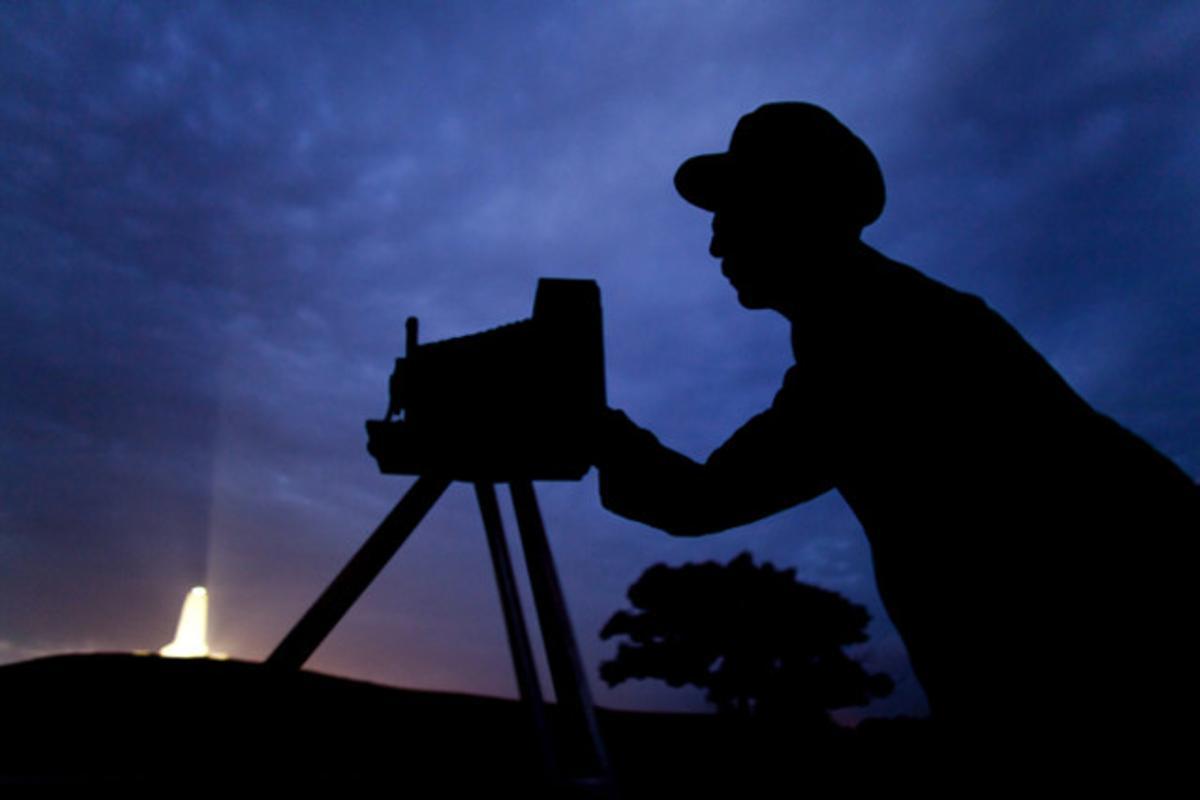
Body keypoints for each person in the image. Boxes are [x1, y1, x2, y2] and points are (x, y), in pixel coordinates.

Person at [594, 102, 1197, 769]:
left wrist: (587, 424)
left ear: (793, 210)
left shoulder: (879, 338)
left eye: (733, 214)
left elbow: (701, 501)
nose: (715, 244)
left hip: (1116, 697)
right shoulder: (881, 323)